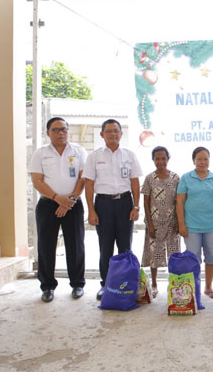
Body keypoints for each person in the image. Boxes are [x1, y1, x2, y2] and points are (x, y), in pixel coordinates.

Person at [29, 117, 87, 302]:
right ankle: (47, 286)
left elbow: (83, 178)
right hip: (48, 204)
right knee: (46, 246)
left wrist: (69, 200)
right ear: (48, 133)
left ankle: (77, 284)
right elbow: (37, 180)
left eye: (63, 129)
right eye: (55, 129)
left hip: (73, 204)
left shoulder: (78, 151)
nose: (60, 132)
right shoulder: (41, 153)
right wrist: (57, 199)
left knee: (76, 245)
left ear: (68, 131)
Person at [83, 119, 142, 300]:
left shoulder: (129, 155)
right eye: (109, 131)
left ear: (121, 134)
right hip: (103, 204)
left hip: (125, 203)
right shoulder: (94, 156)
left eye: (116, 131)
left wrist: (136, 206)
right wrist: (91, 211)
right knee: (105, 247)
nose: (113, 134)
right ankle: (106, 285)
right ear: (102, 135)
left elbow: (135, 183)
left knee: (125, 247)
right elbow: (89, 185)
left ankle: (124, 285)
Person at [176, 147, 213, 299]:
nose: (202, 162)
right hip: (191, 227)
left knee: (211, 256)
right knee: (193, 259)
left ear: (209, 160)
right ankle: (193, 288)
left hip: (212, 226)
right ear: (194, 161)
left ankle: (208, 287)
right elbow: (180, 202)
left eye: (205, 159)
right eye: (199, 159)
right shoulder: (186, 178)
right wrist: (181, 224)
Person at [141, 146, 180, 298]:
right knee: (154, 253)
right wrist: (149, 224)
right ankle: (155, 284)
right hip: (154, 223)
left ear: (168, 159)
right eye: (157, 158)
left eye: (163, 158)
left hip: (172, 222)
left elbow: (179, 201)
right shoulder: (149, 178)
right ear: (153, 160)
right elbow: (146, 202)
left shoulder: (176, 178)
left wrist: (178, 221)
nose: (160, 161)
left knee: (173, 254)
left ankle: (175, 283)